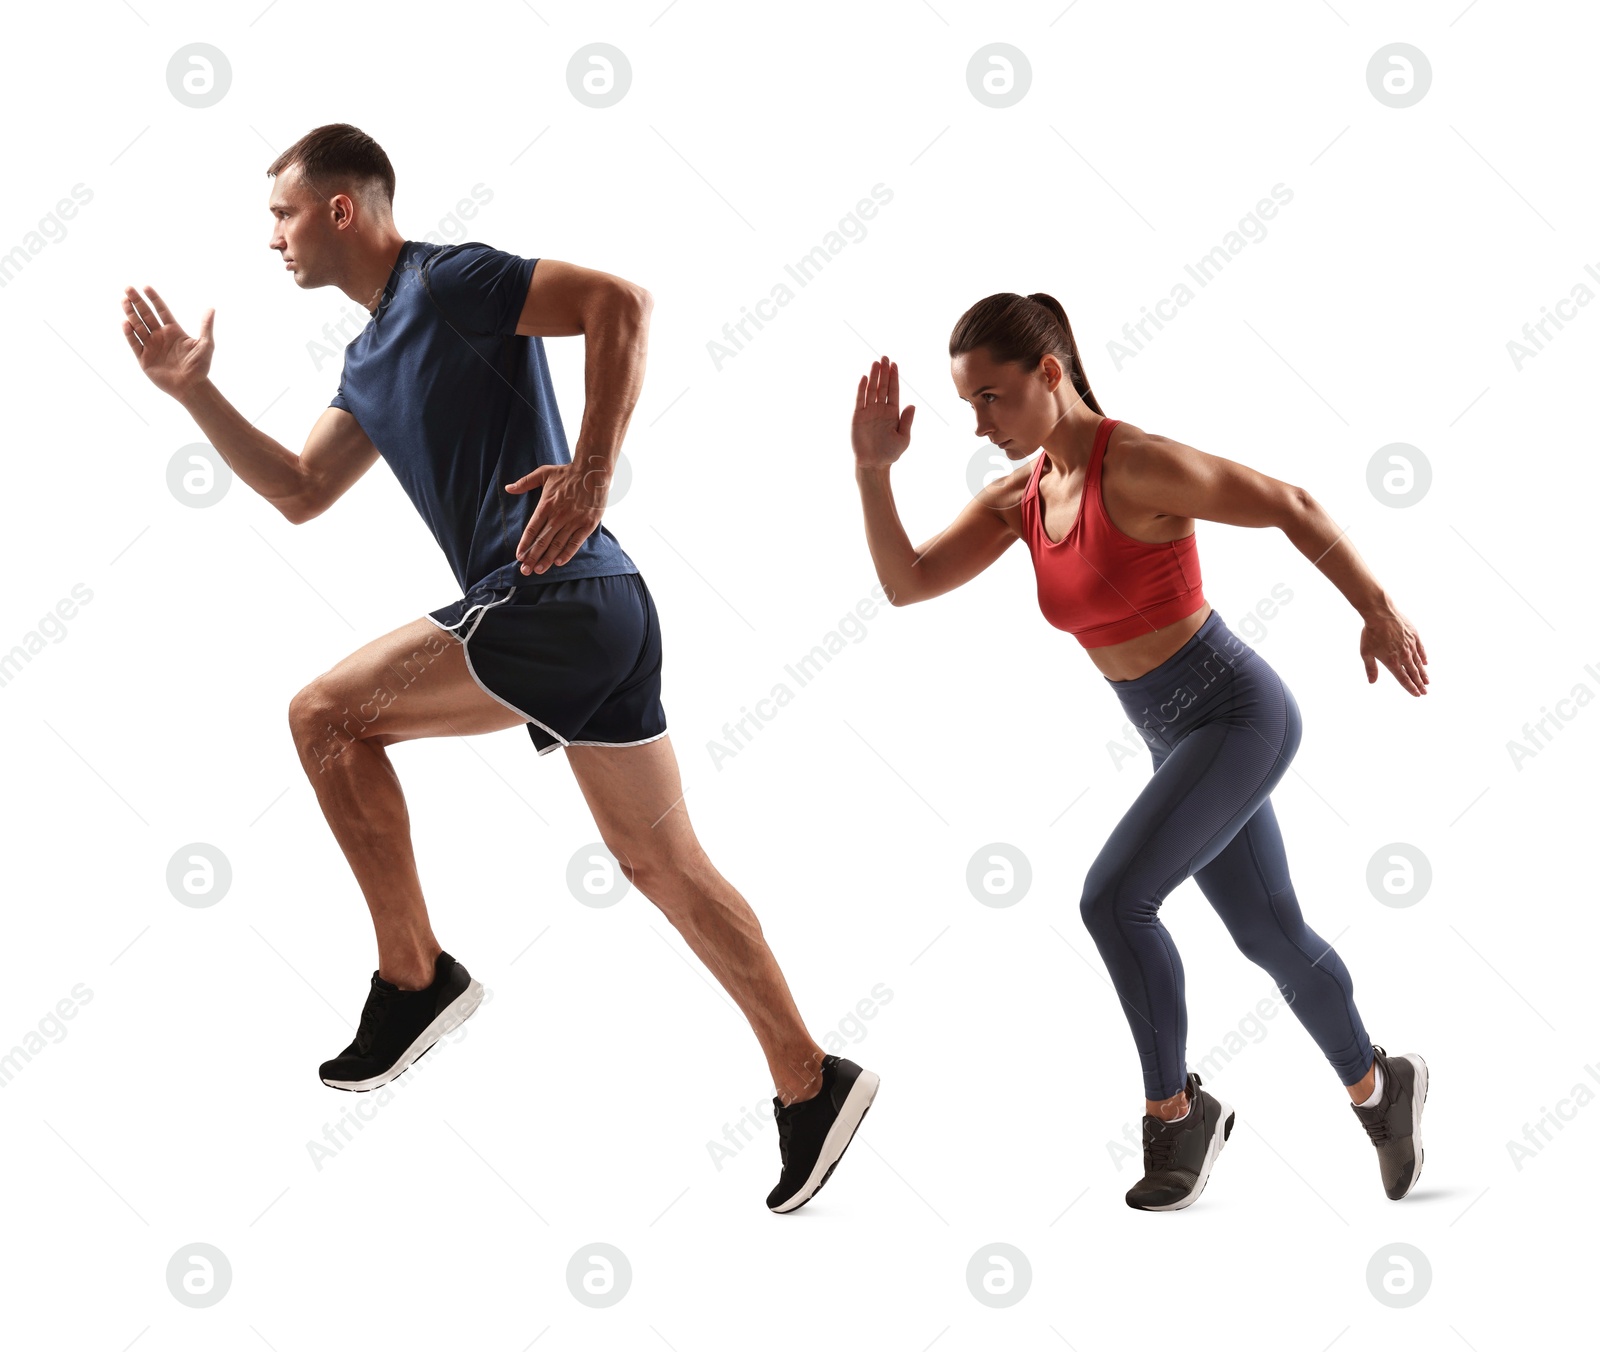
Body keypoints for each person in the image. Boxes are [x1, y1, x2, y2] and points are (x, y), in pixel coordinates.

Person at [118, 122, 877, 1214]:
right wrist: (194, 392)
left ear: (343, 208)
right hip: (594, 615)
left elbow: (618, 302)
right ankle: (812, 1080)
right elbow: (296, 486)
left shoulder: (449, 279)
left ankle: (415, 977)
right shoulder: (370, 356)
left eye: (283, 214)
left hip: (553, 596)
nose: (271, 238)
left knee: (326, 715)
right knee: (666, 867)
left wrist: (594, 468)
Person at [849, 293, 1429, 1210]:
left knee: (1115, 900)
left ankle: (1175, 1114)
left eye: (992, 397)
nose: (979, 424)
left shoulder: (1141, 467)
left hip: (1238, 713)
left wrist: (1377, 608)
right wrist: (872, 471)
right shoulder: (1020, 498)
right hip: (1173, 737)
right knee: (1270, 935)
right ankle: (1380, 1087)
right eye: (968, 405)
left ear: (1051, 374)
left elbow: (1291, 503)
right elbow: (905, 583)